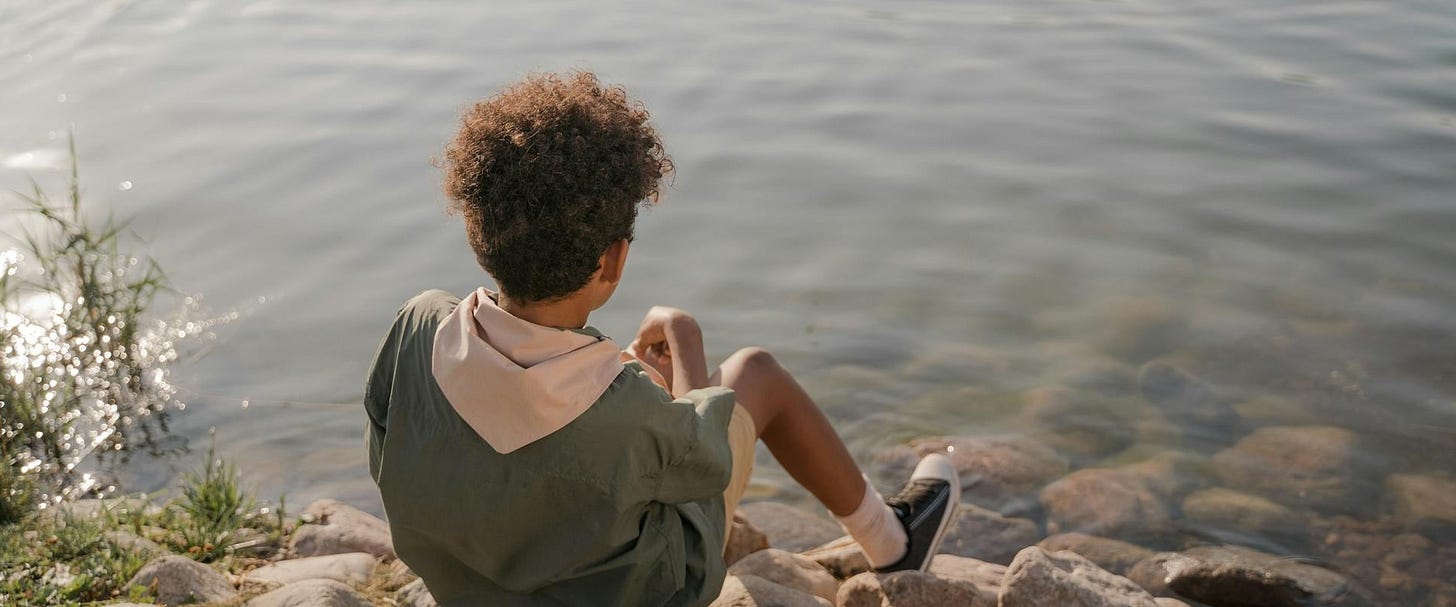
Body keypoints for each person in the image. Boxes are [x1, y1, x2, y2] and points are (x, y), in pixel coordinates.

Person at [364, 71, 959, 607]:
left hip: (464, 581)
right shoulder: (627, 412)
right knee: (756, 373)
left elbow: (391, 443)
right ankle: (892, 543)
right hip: (651, 592)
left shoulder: (418, 325)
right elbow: (703, 464)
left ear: (477, 232)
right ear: (614, 260)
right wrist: (688, 346)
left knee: (627, 395)